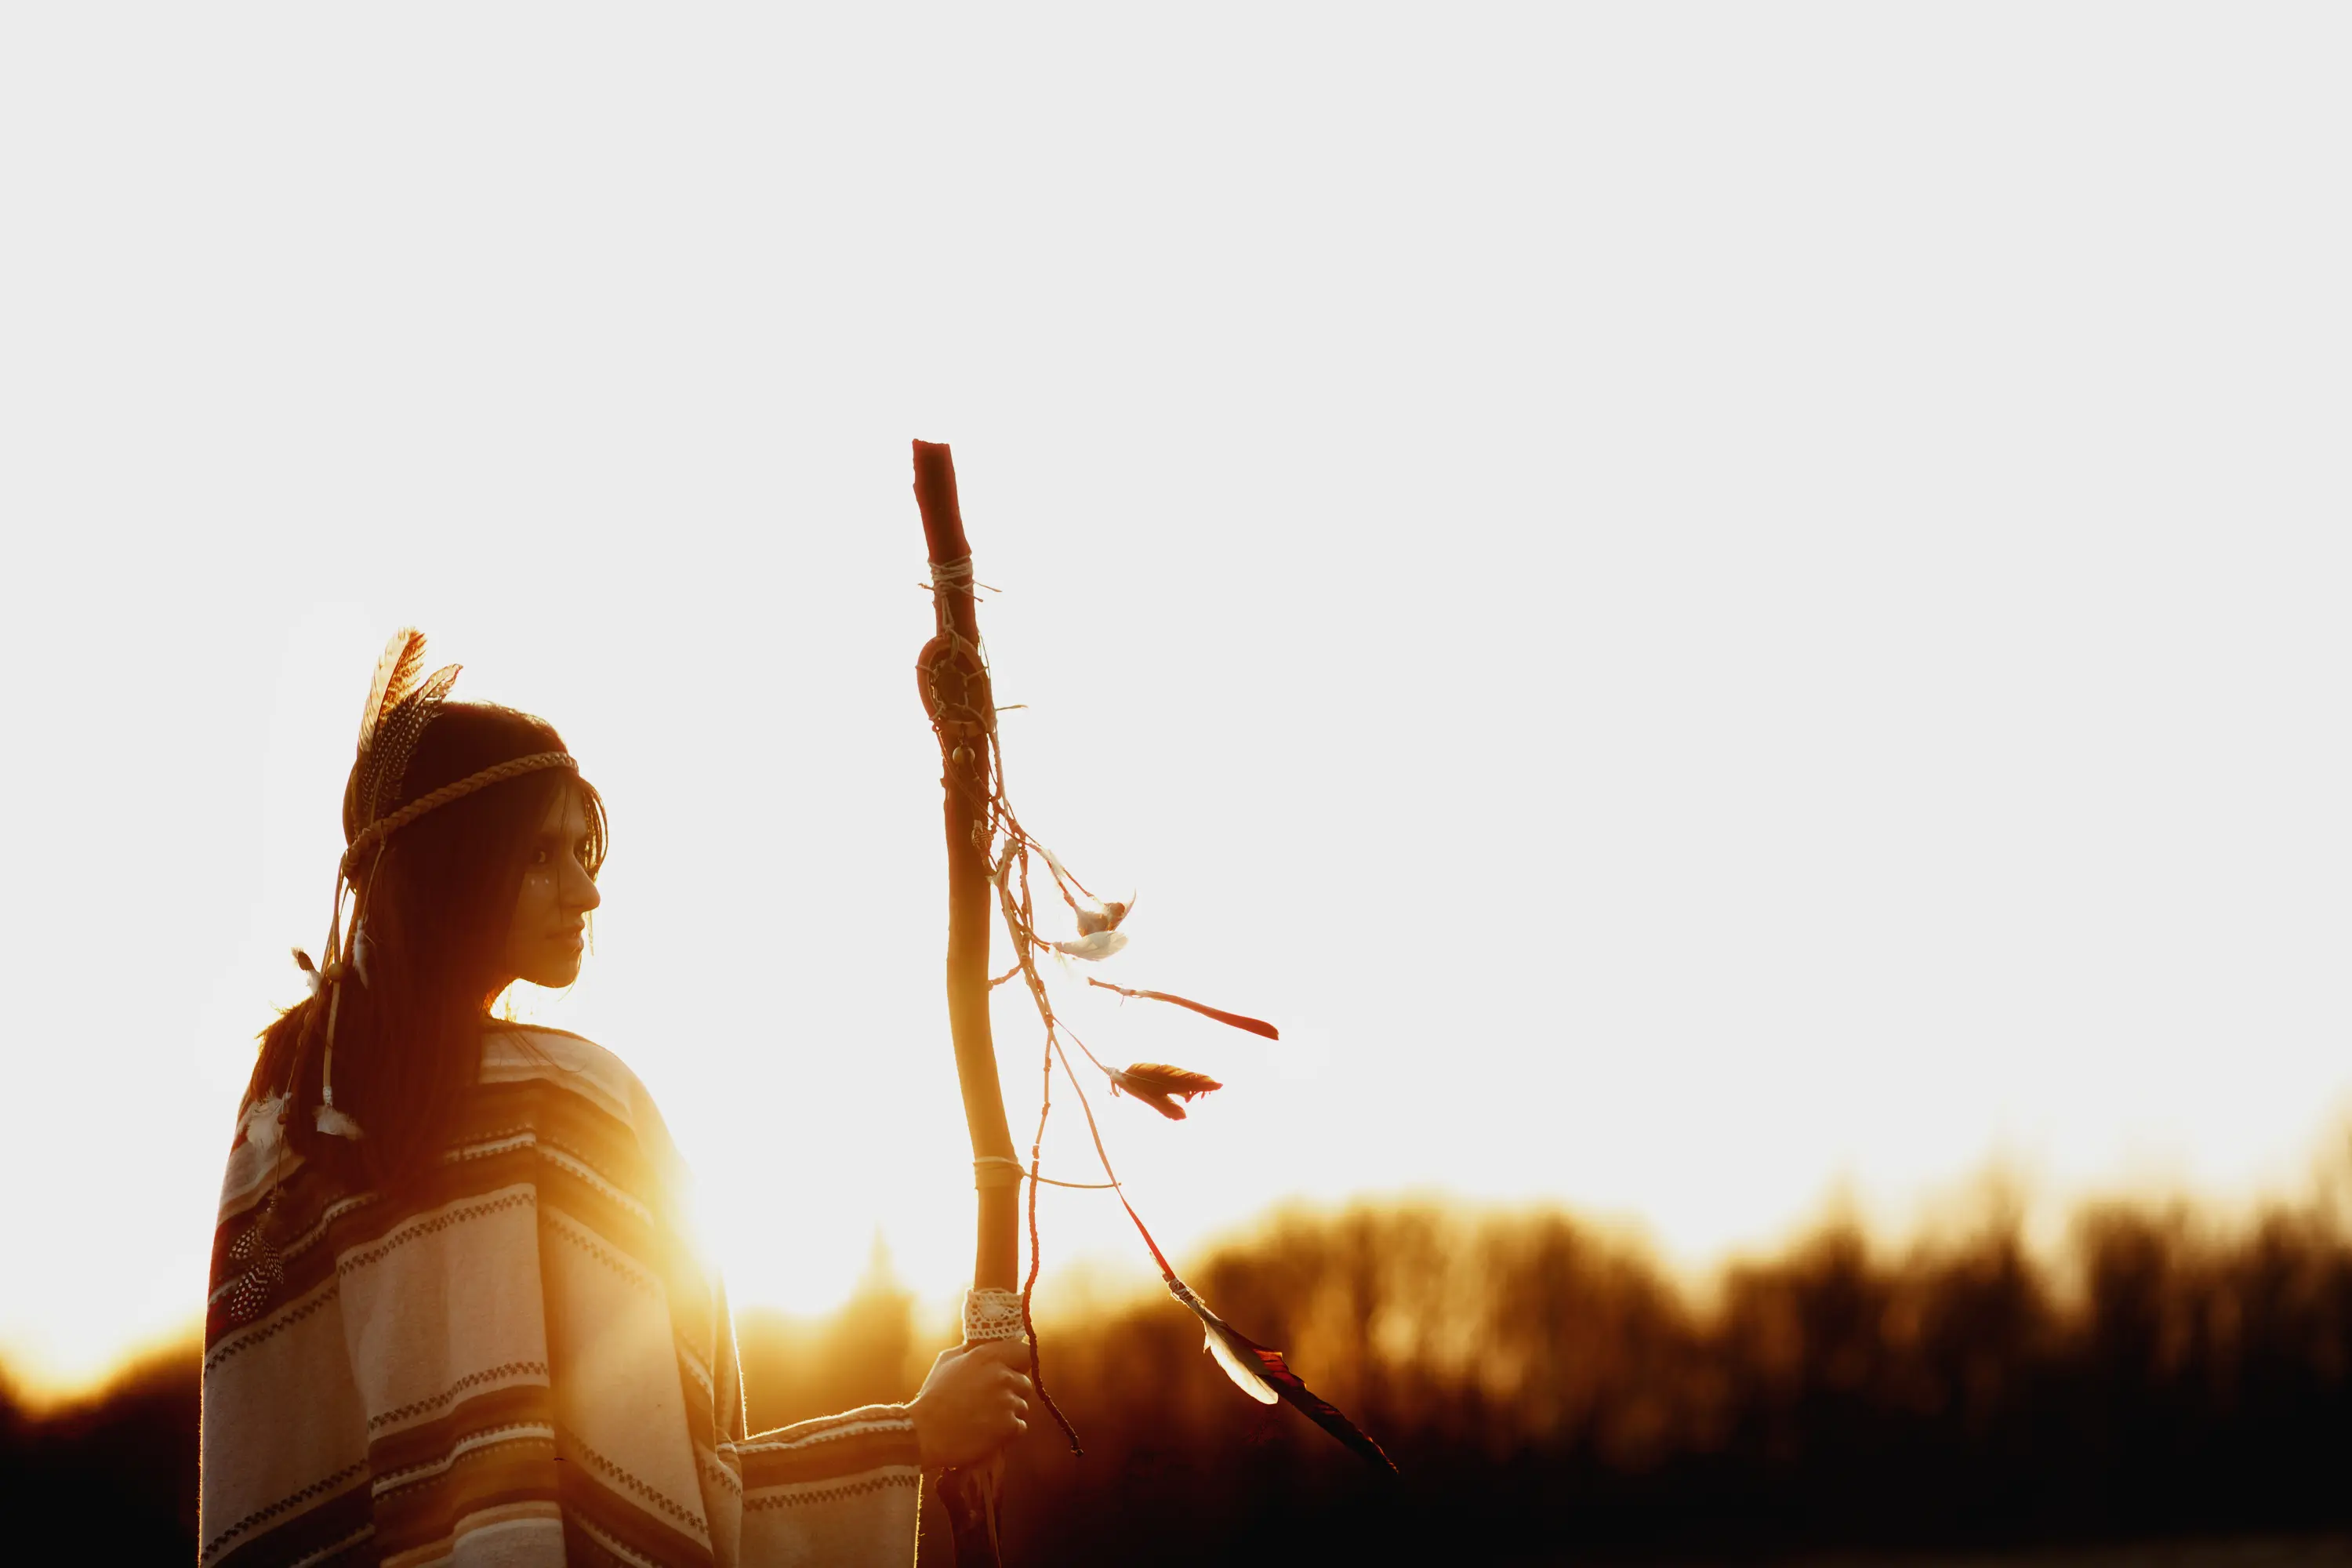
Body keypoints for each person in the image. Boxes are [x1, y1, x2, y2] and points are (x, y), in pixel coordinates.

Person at [200, 633, 1030, 1567]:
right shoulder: (573, 1108)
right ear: (453, 868)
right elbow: (660, 1504)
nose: (587, 890)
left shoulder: (282, 1122)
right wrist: (911, 1438)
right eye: (543, 855)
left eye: (582, 850)